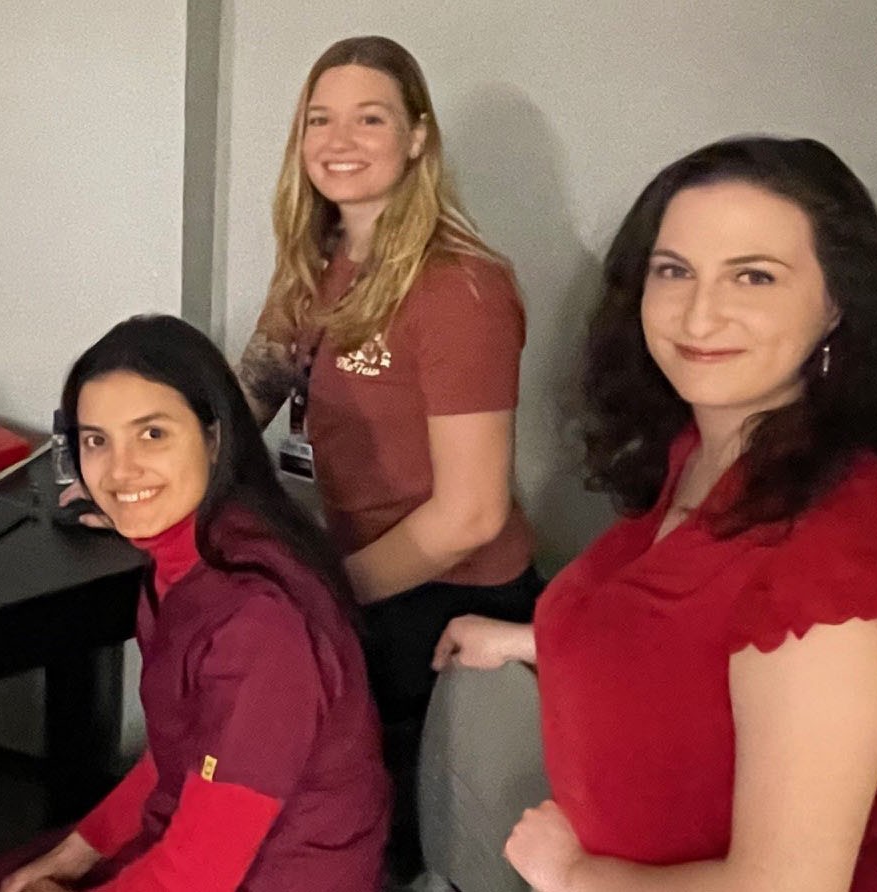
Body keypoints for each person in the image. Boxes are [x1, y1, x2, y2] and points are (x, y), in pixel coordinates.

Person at [433, 136, 877, 891]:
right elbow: (700, 647)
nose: (700, 311)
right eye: (674, 270)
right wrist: (533, 639)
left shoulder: (836, 555)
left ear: (837, 304)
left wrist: (574, 874)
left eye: (754, 276)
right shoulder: (706, 450)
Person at [233, 34, 542, 879]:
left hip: (442, 595)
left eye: (370, 118)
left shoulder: (461, 288)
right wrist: (140, 456)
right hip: (364, 567)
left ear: (417, 138)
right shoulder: (324, 258)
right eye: (319, 119)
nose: (340, 140)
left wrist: (324, 590)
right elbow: (250, 388)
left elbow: (470, 513)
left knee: (385, 839)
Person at [0, 314, 387, 892]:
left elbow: (198, 874)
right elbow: (180, 755)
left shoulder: (259, 623)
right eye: (96, 441)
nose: (120, 469)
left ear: (213, 436)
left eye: (152, 434)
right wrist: (71, 857)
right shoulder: (200, 552)